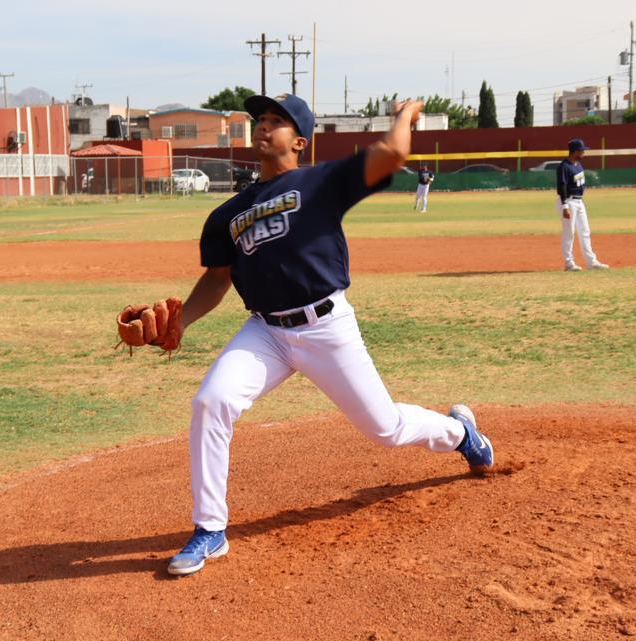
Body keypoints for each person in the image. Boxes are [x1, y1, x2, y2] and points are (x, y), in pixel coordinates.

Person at [164, 94, 495, 576]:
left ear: (299, 141)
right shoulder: (227, 214)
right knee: (211, 402)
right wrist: (182, 322)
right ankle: (210, 530)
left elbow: (393, 154)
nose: (264, 126)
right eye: (260, 120)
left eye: (276, 122)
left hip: (325, 325)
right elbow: (217, 279)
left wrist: (403, 117)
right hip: (265, 333)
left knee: (386, 429)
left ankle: (460, 432)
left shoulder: (319, 181)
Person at [557, 139, 608, 271]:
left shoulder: (578, 165)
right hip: (568, 201)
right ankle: (569, 263)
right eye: (582, 150)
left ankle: (591, 262)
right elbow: (561, 186)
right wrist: (564, 206)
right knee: (569, 233)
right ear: (574, 151)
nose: (584, 152)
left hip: (579, 202)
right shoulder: (564, 166)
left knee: (585, 231)